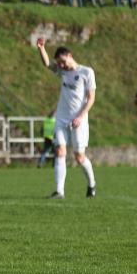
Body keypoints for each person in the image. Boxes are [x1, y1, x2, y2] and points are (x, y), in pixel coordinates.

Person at [35, 39, 97, 199]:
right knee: (59, 151)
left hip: (79, 120)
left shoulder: (86, 72)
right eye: (59, 63)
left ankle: (92, 184)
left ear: (70, 56)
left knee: (79, 157)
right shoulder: (62, 71)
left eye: (62, 61)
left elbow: (91, 98)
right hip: (62, 118)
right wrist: (41, 48)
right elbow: (47, 64)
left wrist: (81, 116)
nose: (60, 65)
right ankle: (59, 191)